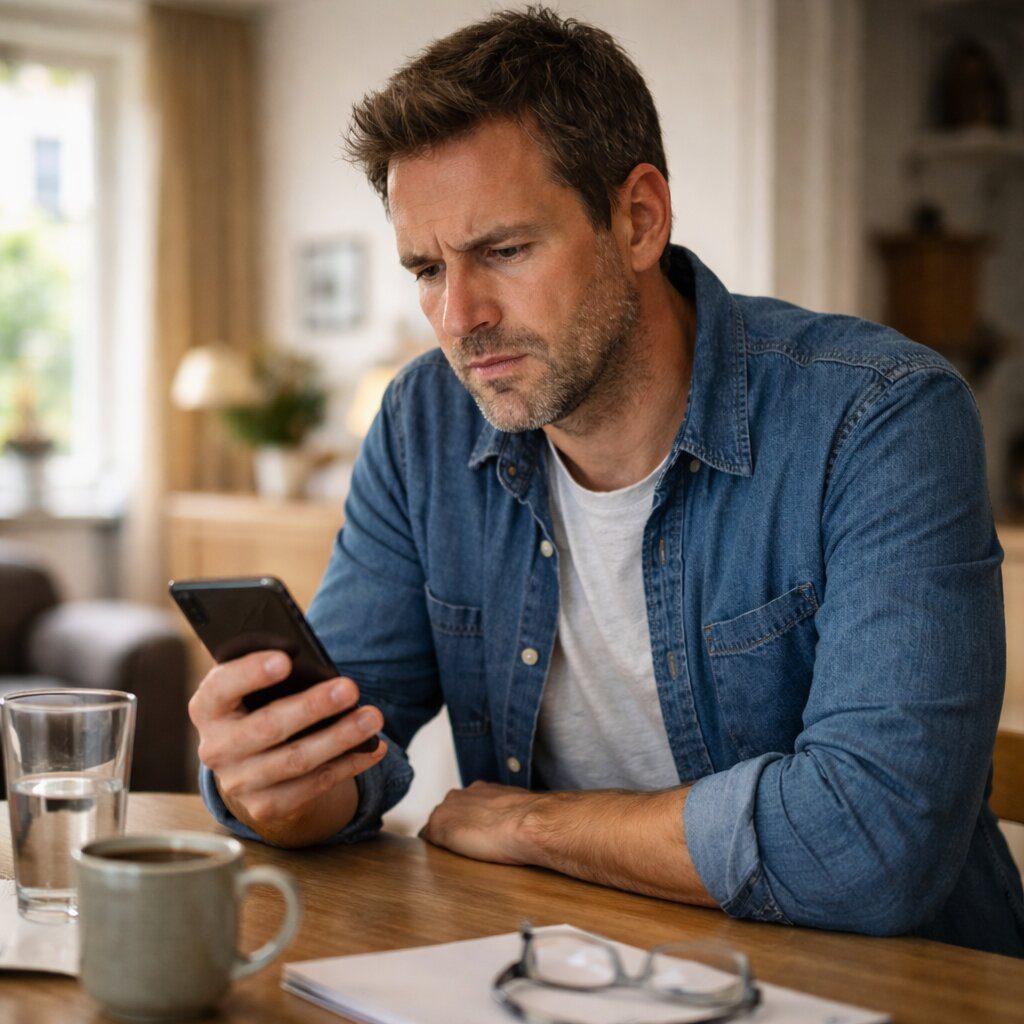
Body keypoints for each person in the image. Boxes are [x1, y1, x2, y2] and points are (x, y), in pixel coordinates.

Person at [189, 7, 1024, 956]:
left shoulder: (881, 418)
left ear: (637, 219)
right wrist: (275, 783)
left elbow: (876, 844)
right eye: (426, 268)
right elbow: (348, 745)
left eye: (503, 250)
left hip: (896, 985)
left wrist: (532, 825)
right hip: (566, 967)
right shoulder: (425, 422)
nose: (459, 316)